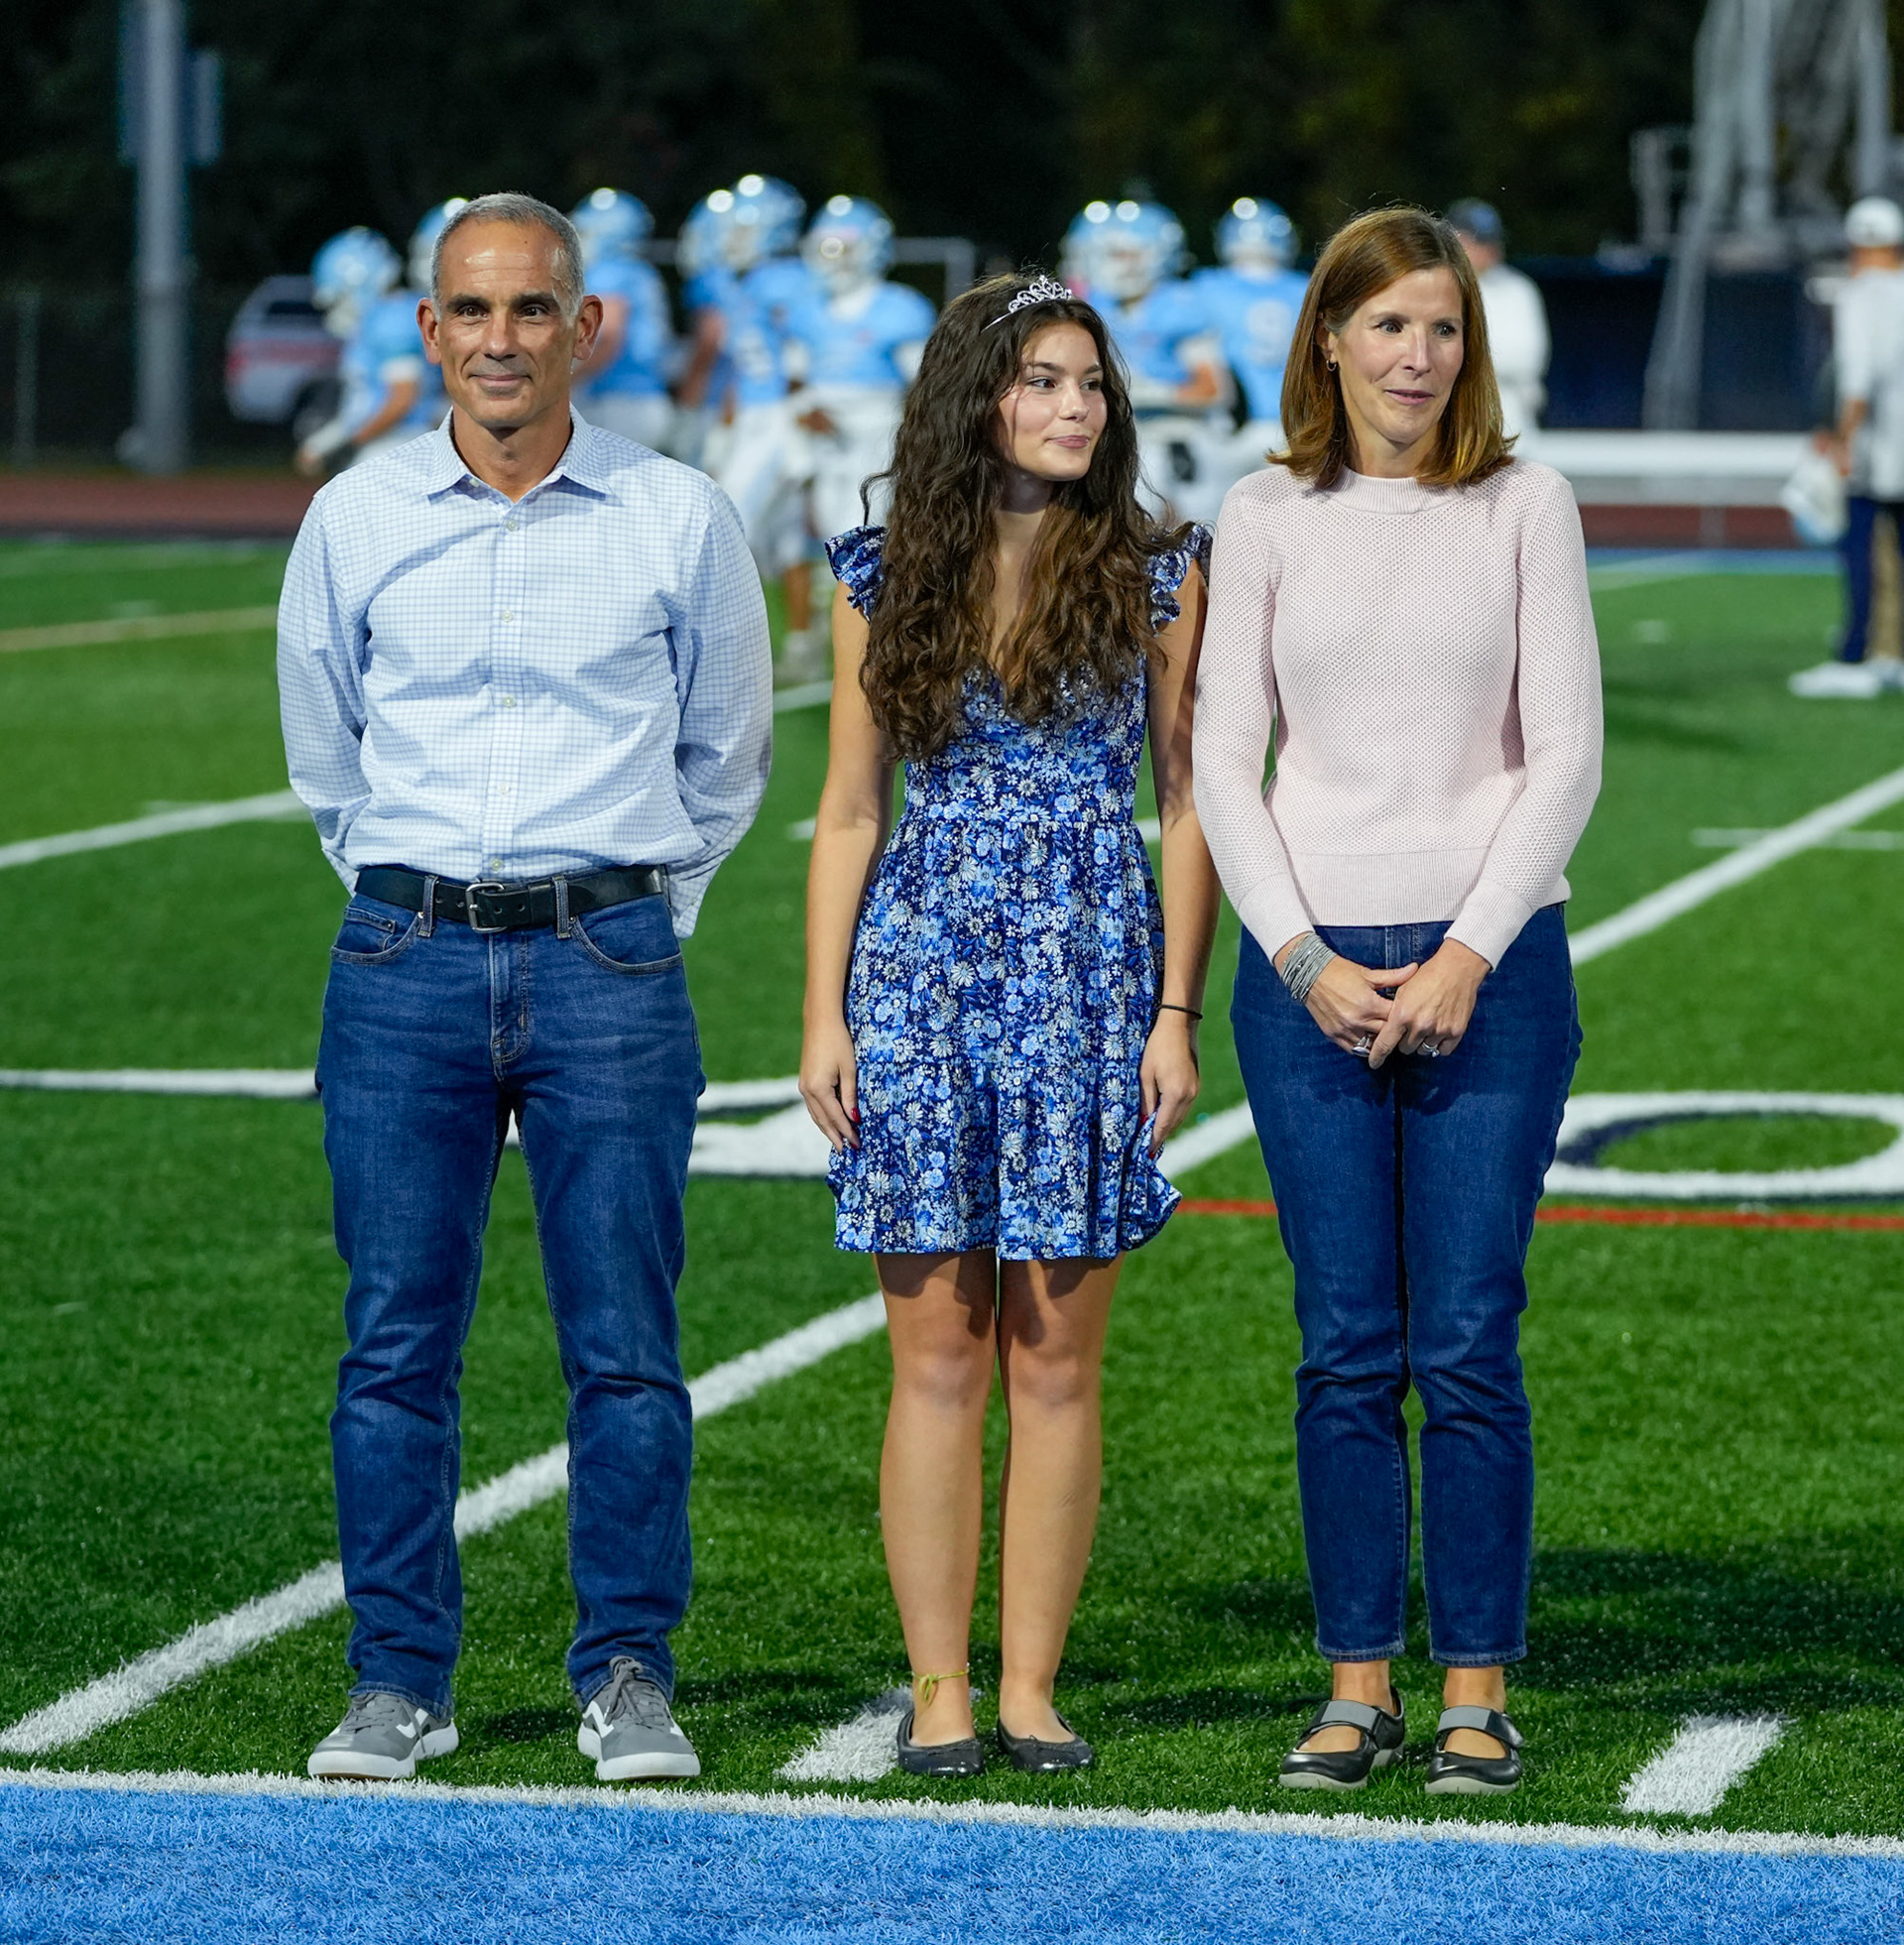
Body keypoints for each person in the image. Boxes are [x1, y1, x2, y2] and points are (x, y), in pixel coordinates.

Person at [279, 190, 773, 1785]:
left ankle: (628, 1669)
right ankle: (397, 1679)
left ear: (588, 326)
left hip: (606, 963)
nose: (502, 339)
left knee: (624, 1343)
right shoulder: (355, 514)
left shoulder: (676, 513)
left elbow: (729, 754)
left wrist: (631, 912)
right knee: (392, 1345)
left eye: (533, 307)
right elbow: (325, 757)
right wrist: (418, 897)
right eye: (473, 310)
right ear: (430, 330)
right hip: (402, 960)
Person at [1194, 207, 1601, 1796]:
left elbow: (1564, 756)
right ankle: (1356, 1684)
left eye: (1442, 328)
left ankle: (1476, 1691)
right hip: (1306, 977)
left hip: (1491, 974)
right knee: (1346, 1346)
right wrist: (1302, 959)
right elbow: (1222, 762)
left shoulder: (1526, 502)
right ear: (1330, 340)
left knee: (1471, 1341)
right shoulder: (1262, 511)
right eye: (1387, 326)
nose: (1417, 357)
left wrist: (1466, 953)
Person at [799, 270, 1221, 1777]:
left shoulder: (1160, 573)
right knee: (937, 1359)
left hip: (1092, 982)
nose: (1074, 406)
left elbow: (1190, 805)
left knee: (1054, 1360)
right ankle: (940, 1690)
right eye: (1041, 379)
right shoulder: (878, 573)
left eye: (1091, 383)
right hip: (921, 974)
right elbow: (850, 809)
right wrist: (824, 1014)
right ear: (972, 399)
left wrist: (1177, 1009)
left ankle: (1032, 1686)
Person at [1790, 195, 1904, 698]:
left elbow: (1858, 380)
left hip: (1880, 453)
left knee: (1860, 549)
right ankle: (1892, 653)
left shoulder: (1861, 297)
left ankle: (1858, 653)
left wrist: (1842, 440)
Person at [785, 196, 935, 545]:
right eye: (828, 247)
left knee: (868, 517)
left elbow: (922, 383)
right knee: (829, 520)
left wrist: (915, 433)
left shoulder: (900, 307)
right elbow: (794, 377)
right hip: (824, 422)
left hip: (879, 422)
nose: (836, 258)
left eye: (847, 248)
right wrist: (806, 408)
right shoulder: (805, 309)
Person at [1072, 199, 1226, 522]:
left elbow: (1213, 390)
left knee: (1200, 524)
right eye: (1113, 254)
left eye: (1129, 254)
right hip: (1127, 437)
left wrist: (1153, 392)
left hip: (1180, 435)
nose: (1119, 264)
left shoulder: (1180, 304)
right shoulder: (1096, 304)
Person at [298, 203, 462, 476]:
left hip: (396, 444)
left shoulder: (392, 319)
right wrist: (327, 442)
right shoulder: (381, 320)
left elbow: (403, 397)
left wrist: (351, 442)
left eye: (339, 298)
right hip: (391, 444)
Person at [1193, 197, 1309, 498]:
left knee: (1217, 516)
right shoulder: (1304, 287)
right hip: (1293, 426)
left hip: (1229, 426)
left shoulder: (1207, 285)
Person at [569, 187, 676, 453]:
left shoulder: (609, 272)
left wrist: (565, 382)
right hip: (647, 396)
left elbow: (607, 337)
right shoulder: (640, 272)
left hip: (618, 401)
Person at [1449, 199, 1549, 444]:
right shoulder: (1437, 286)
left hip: (1509, 423)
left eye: (1490, 241)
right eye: (1477, 241)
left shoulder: (1518, 289)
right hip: (1451, 422)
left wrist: (1463, 351)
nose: (1487, 249)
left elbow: (1527, 358)